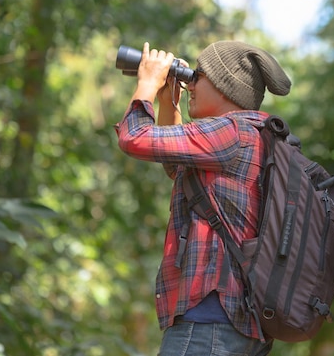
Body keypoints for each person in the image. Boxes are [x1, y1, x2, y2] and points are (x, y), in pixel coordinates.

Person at [115, 41, 292, 356]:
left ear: (226, 88)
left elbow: (133, 138)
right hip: (238, 323)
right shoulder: (252, 134)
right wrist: (169, 102)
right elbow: (178, 168)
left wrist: (146, 83)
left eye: (200, 75)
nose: (191, 82)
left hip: (209, 323)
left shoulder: (229, 131)